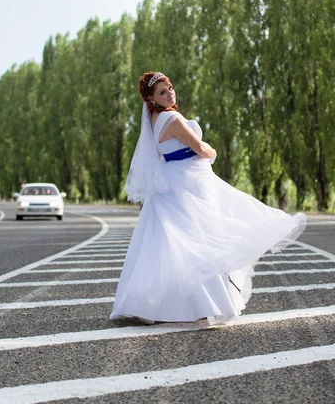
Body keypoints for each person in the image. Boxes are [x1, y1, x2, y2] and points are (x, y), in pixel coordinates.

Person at [110, 71, 307, 325]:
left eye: (169, 86)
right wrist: (212, 150)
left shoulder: (154, 120)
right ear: (151, 99)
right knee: (200, 239)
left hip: (174, 181)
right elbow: (200, 149)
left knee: (169, 245)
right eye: (162, 91)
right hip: (188, 183)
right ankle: (202, 304)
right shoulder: (171, 118)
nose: (169, 92)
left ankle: (156, 305)